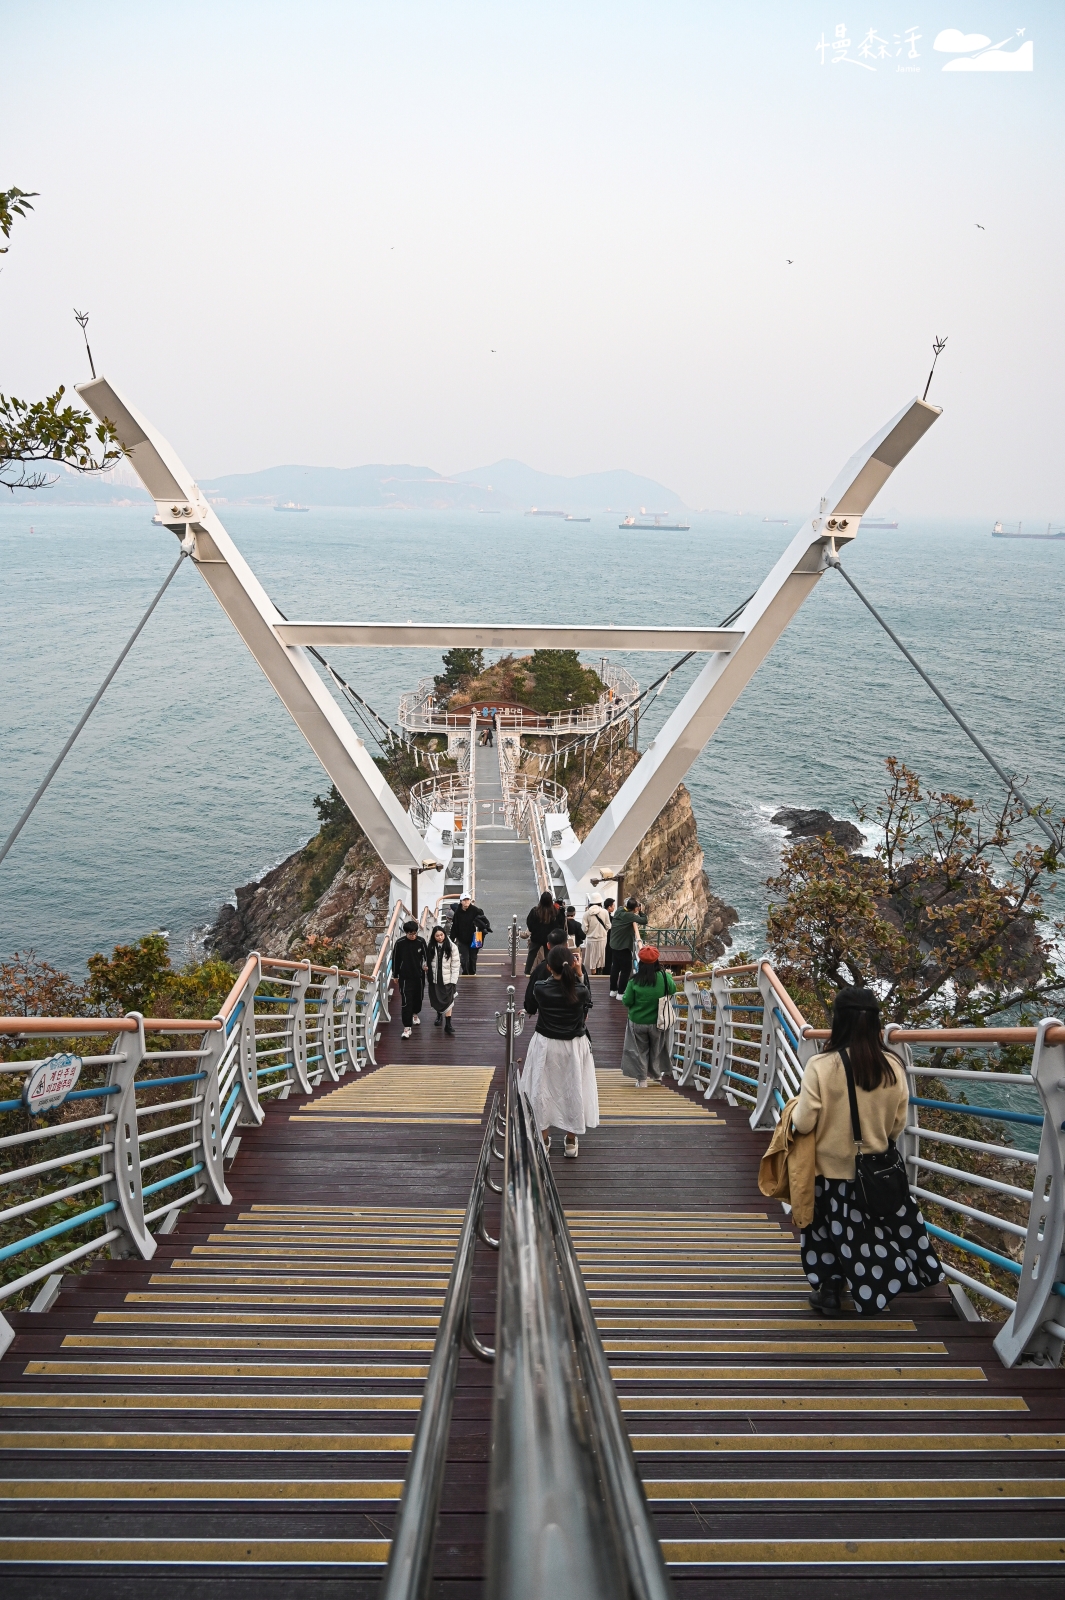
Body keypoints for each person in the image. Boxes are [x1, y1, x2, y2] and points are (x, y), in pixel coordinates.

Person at [792, 986, 943, 1317]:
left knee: (825, 1231)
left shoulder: (820, 1065)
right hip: (876, 1172)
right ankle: (879, 1286)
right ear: (876, 1023)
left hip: (828, 1173)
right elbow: (897, 1126)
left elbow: (803, 1123)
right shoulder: (893, 1066)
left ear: (839, 1022)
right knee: (870, 1233)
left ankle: (830, 1291)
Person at [519, 945, 598, 1159]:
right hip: (573, 1045)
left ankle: (544, 1140)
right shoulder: (580, 990)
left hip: (546, 1043)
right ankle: (571, 1142)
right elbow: (587, 1001)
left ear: (549, 967)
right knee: (574, 1090)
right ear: (572, 964)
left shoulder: (540, 989)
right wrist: (581, 974)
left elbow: (534, 1002)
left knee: (542, 1090)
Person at [620, 945, 677, 1087]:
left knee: (639, 1050)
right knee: (657, 1048)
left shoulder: (634, 981)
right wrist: (669, 975)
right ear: (657, 961)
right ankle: (657, 1075)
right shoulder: (664, 978)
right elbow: (673, 989)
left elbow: (627, 1001)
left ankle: (642, 1080)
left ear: (640, 962)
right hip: (658, 1021)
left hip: (638, 1021)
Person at [392, 919, 428, 1040]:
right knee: (406, 1001)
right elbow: (395, 959)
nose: (413, 936)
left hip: (419, 976)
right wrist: (395, 975)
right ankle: (407, 1028)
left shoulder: (421, 941)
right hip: (405, 977)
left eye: (415, 933)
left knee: (418, 998)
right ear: (405, 933)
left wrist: (426, 966)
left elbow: (426, 956)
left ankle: (415, 1014)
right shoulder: (400, 943)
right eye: (410, 934)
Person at [522, 926, 572, 1014]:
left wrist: (530, 1009)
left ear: (548, 945)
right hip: (574, 1024)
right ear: (567, 945)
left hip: (546, 1023)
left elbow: (530, 995)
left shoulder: (541, 968)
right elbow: (586, 994)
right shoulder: (576, 966)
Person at [607, 896, 647, 998]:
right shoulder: (629, 916)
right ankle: (621, 993)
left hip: (614, 944)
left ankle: (613, 990)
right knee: (626, 970)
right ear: (634, 908)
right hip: (623, 947)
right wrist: (641, 911)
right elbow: (644, 920)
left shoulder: (619, 910)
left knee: (615, 967)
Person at [427, 923, 460, 1035]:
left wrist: (453, 980)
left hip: (447, 978)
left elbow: (455, 965)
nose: (440, 937)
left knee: (449, 999)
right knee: (437, 998)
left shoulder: (452, 947)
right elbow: (425, 960)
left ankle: (448, 1024)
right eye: (437, 936)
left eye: (442, 935)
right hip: (435, 978)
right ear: (434, 937)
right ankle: (439, 1015)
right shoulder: (430, 946)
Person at [448, 893, 492, 975]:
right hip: (462, 939)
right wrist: (451, 939)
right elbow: (455, 926)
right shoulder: (458, 912)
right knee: (465, 958)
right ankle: (465, 973)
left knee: (473, 958)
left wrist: (484, 928)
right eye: (464, 900)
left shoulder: (475, 910)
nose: (466, 902)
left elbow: (484, 920)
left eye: (468, 900)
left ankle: (472, 973)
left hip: (475, 938)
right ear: (461, 901)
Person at [525, 890, 565, 974]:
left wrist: (533, 930)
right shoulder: (555, 911)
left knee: (532, 954)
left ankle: (527, 971)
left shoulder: (535, 911)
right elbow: (561, 924)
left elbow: (529, 922)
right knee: (549, 955)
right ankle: (548, 972)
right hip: (549, 938)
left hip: (536, 937)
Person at [583, 898, 611, 975]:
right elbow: (608, 925)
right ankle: (600, 973)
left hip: (591, 939)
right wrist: (604, 931)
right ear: (600, 902)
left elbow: (584, 928)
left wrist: (589, 932)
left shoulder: (587, 913)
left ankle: (593, 974)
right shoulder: (605, 912)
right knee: (601, 957)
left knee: (592, 958)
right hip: (602, 938)